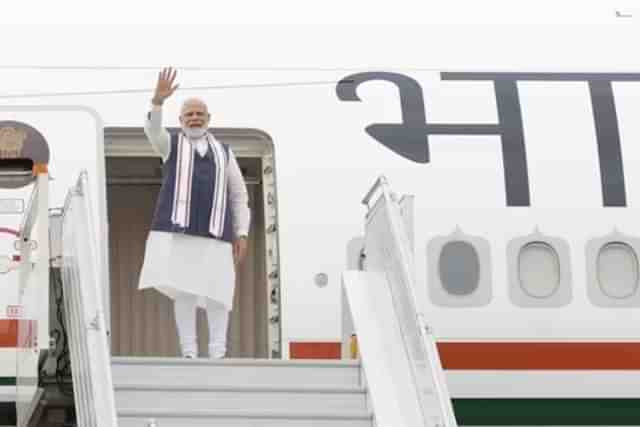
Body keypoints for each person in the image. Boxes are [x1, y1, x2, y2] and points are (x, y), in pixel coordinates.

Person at [138, 68, 251, 359]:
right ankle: (189, 351)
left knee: (219, 293)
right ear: (181, 120)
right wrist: (157, 102)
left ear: (209, 118)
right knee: (185, 292)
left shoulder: (224, 152)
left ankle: (217, 352)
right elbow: (152, 130)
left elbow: (238, 195)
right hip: (181, 233)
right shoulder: (169, 145)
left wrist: (242, 232)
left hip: (218, 235)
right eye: (189, 114)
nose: (195, 118)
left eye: (200, 113)